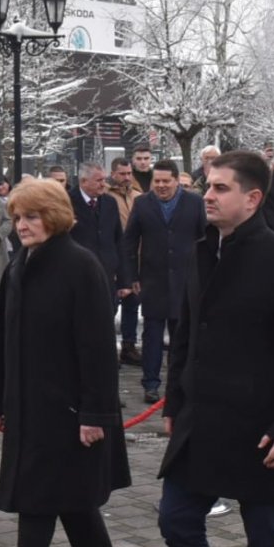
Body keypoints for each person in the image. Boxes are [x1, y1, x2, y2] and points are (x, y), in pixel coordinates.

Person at [158, 150, 274, 547]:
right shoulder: (202, 251)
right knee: (176, 522)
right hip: (200, 422)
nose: (207, 196)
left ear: (252, 199)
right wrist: (175, 400)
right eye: (208, 186)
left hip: (261, 431)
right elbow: (186, 337)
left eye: (220, 188)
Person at [0, 178, 129, 547]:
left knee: (42, 508)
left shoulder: (81, 266)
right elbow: (3, 343)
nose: (22, 225)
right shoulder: (18, 266)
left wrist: (96, 415)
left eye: (31, 216)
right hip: (29, 415)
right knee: (73, 510)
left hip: (68, 418)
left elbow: (98, 349)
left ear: (54, 216)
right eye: (16, 217)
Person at [122, 160, 205, 404]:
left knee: (182, 336)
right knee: (152, 335)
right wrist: (132, 276)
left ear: (177, 181)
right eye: (156, 181)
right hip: (153, 281)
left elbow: (205, 240)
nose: (160, 186)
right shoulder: (142, 203)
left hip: (186, 280)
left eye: (166, 181)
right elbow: (129, 243)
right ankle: (150, 383)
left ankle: (179, 383)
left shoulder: (194, 203)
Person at [69, 162, 127, 311]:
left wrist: (123, 279)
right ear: (83, 181)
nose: (103, 184)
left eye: (104, 179)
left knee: (107, 316)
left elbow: (118, 240)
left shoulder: (109, 202)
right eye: (99, 180)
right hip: (79, 275)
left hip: (106, 274)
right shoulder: (67, 203)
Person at [108, 157, 144, 366]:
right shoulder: (106, 196)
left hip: (134, 257)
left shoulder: (138, 197)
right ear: (113, 174)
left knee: (132, 304)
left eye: (129, 173)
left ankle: (129, 346)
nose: (126, 177)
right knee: (110, 304)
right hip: (114, 257)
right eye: (122, 174)